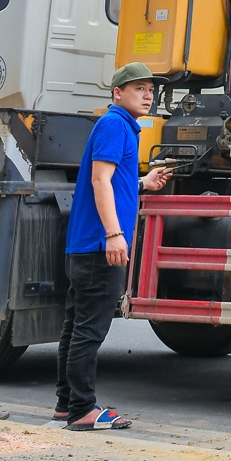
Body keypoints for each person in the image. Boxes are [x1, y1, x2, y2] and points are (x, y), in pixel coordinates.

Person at [57, 61, 171, 431]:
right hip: (98, 246)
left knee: (76, 326)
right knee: (89, 330)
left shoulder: (120, 125)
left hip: (86, 245)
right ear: (117, 93)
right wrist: (113, 234)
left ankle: (66, 404)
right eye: (139, 88)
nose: (148, 95)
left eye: (151, 89)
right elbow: (99, 180)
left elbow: (114, 181)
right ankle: (82, 409)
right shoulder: (114, 124)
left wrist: (143, 182)